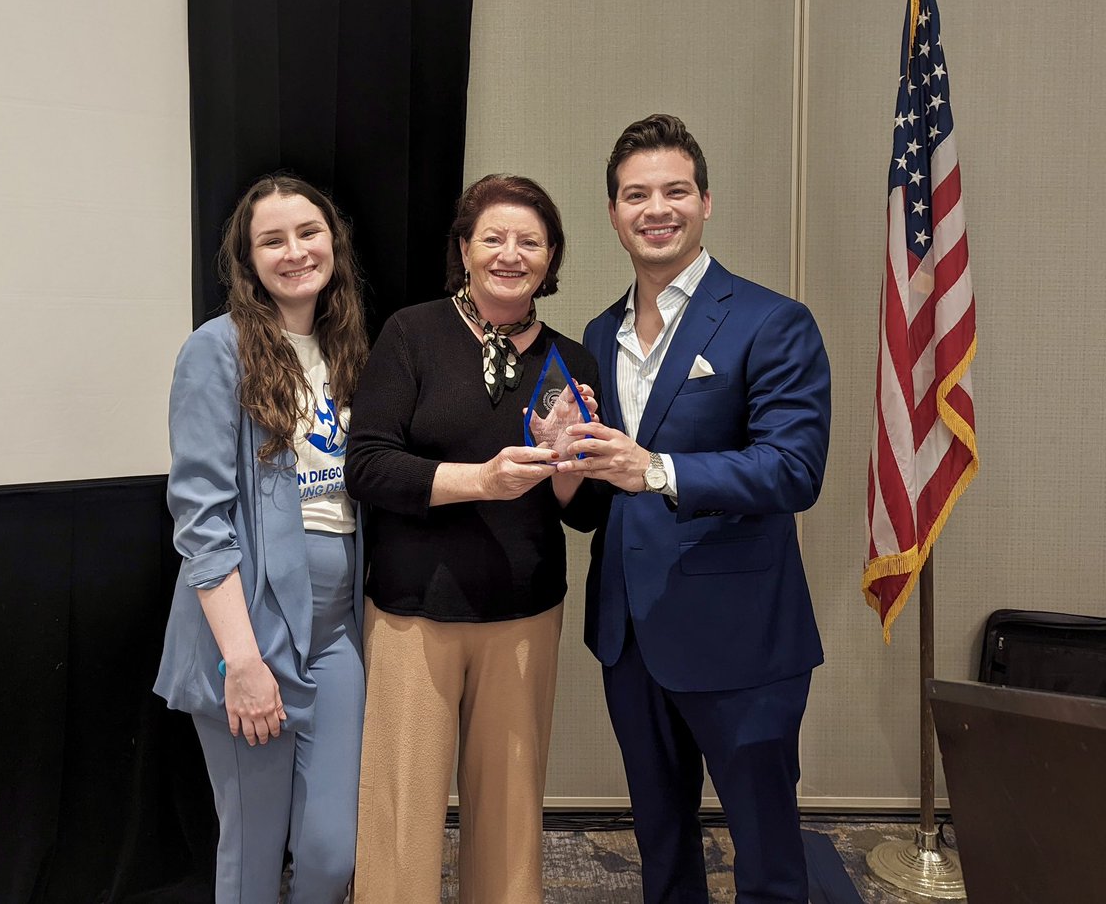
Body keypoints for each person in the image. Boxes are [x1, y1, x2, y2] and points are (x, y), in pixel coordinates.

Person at [556, 114, 831, 904]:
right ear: (612, 213)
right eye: (635, 194)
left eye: (675, 190)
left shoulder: (772, 321)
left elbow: (793, 469)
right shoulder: (599, 332)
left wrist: (655, 468)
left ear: (706, 201)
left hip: (743, 638)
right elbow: (609, 497)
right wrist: (566, 471)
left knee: (767, 853)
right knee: (661, 845)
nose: (656, 208)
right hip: (630, 636)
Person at [346, 174, 599, 903]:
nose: (510, 254)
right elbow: (367, 465)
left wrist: (568, 463)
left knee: (512, 812)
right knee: (401, 811)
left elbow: (578, 514)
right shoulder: (411, 333)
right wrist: (479, 481)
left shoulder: (571, 363)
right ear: (464, 249)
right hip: (413, 611)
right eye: (493, 237)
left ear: (551, 259)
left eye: (531, 241)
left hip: (523, 613)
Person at [154, 174, 369, 903]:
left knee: (332, 853)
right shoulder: (217, 350)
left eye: (308, 232)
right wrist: (241, 663)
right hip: (248, 637)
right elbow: (201, 522)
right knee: (250, 857)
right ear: (248, 260)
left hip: (335, 634)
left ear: (332, 241)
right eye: (271, 240)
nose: (295, 251)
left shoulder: (348, 347)